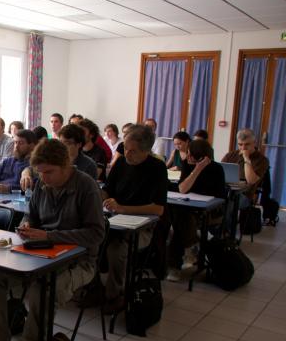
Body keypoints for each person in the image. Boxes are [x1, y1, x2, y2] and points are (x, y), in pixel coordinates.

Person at [0, 139, 104, 341]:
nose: (44, 178)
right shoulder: (42, 184)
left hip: (78, 262)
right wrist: (26, 225)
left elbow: (95, 234)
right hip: (39, 253)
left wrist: (49, 236)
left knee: (42, 287)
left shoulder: (86, 186)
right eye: (40, 172)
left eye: (49, 172)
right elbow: (30, 216)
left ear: (65, 165)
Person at [101, 124, 167, 313]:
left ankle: (115, 294)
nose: (127, 154)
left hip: (142, 227)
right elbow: (107, 189)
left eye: (133, 151)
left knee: (117, 250)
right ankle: (93, 286)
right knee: (92, 241)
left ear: (147, 151)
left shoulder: (157, 168)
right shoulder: (121, 163)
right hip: (113, 219)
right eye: (125, 149)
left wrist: (123, 208)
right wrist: (103, 199)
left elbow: (158, 209)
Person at [167, 140, 225, 281]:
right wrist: (196, 170)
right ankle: (192, 242)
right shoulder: (187, 165)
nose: (188, 158)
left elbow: (219, 197)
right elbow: (183, 189)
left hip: (208, 210)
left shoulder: (217, 169)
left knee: (181, 225)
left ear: (203, 157)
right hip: (187, 207)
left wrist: (200, 168)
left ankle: (175, 266)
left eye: (191, 155)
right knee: (174, 215)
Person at [221, 128, 269, 233]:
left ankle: (225, 235)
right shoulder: (231, 155)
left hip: (245, 195)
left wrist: (247, 159)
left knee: (228, 205)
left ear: (254, 143)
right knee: (213, 202)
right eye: (240, 144)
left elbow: (251, 181)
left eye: (247, 144)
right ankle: (216, 230)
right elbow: (219, 172)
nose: (243, 148)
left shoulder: (262, 160)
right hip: (227, 189)